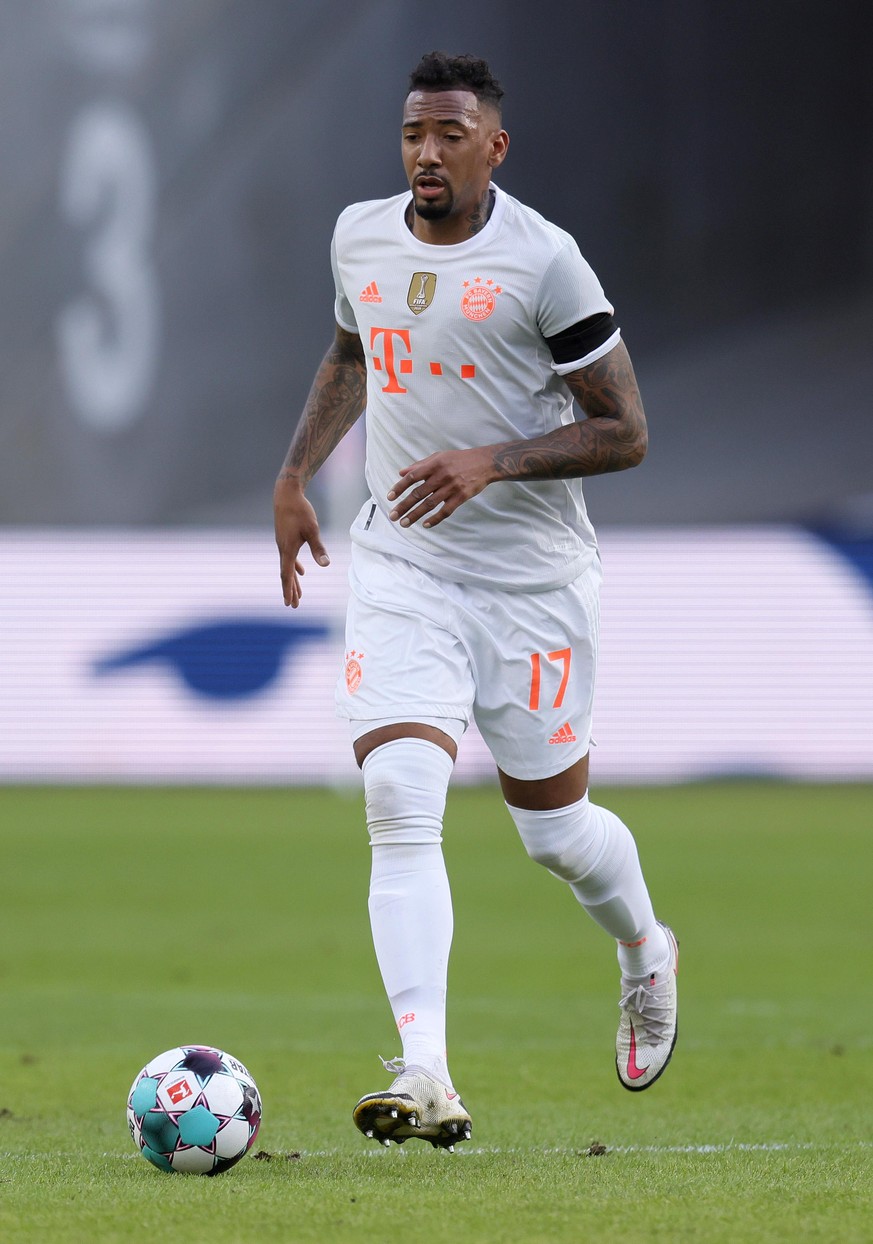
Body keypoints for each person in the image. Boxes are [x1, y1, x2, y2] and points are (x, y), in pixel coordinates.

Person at [273, 51, 678, 1150]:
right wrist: (295, 474)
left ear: (494, 147)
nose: (426, 154)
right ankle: (426, 1067)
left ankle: (643, 946)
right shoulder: (361, 234)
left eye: (450, 135)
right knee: (401, 793)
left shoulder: (546, 263)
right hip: (404, 564)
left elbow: (626, 430)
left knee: (554, 833)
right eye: (413, 134)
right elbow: (354, 352)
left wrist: (489, 461)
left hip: (530, 583)